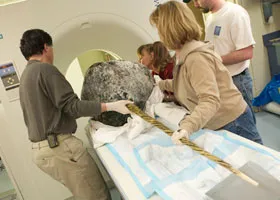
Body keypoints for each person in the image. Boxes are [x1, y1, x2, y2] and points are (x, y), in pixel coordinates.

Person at [19, 29, 133, 200]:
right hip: (60, 148)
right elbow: (72, 107)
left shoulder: (27, 75)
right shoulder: (46, 70)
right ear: (46, 47)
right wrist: (111, 106)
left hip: (43, 151)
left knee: (85, 194)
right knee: (97, 195)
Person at [149, 1, 262, 144]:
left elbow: (209, 99)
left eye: (159, 29)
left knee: (254, 165)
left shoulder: (195, 58)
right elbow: (186, 83)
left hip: (233, 122)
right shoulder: (183, 54)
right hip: (221, 120)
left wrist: (187, 127)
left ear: (168, 29)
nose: (159, 35)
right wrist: (161, 85)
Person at [192, 0, 256, 123]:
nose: (195, 4)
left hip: (237, 81)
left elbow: (247, 52)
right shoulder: (211, 18)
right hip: (221, 81)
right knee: (232, 125)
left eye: (196, 0)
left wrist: (212, 60)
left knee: (245, 125)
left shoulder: (235, 13)